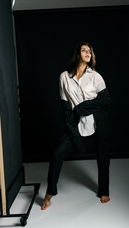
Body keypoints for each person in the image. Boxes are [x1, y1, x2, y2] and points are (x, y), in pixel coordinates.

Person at [41, 41, 111, 210]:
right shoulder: (64, 77)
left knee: (103, 160)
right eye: (84, 50)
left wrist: (81, 108)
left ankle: (104, 191)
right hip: (76, 125)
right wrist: (73, 127)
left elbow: (106, 101)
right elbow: (65, 108)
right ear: (77, 53)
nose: (88, 52)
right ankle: (49, 193)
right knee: (57, 154)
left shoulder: (95, 76)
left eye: (90, 51)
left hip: (98, 123)